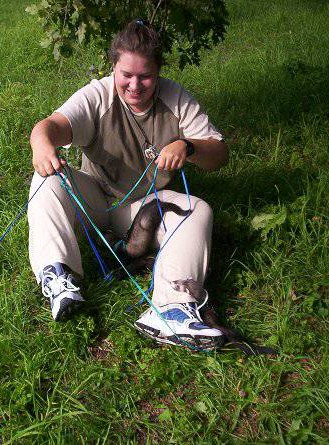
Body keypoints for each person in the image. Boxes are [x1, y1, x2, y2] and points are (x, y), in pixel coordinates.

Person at [27, 19, 228, 350]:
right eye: (126, 75)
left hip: (146, 206)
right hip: (94, 201)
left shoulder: (176, 99)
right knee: (47, 177)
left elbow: (219, 154)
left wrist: (188, 147)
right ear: (113, 68)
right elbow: (48, 126)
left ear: (158, 72)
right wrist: (43, 146)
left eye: (145, 76)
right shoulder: (97, 96)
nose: (135, 85)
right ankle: (59, 277)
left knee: (199, 210)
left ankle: (171, 308)